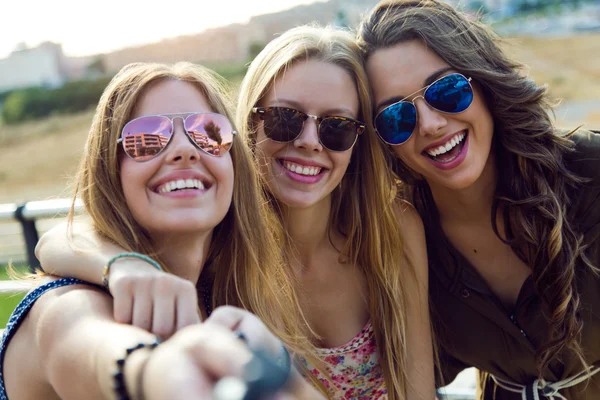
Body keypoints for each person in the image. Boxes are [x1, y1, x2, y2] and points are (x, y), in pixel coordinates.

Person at [35, 26, 434, 400]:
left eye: (337, 126)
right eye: (285, 118)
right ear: (246, 125)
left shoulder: (391, 230)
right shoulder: (222, 247)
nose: (311, 142)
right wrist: (125, 266)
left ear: (358, 141)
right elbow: (63, 241)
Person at [0, 61, 322, 400]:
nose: (184, 150)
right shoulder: (67, 304)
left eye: (209, 133)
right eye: (147, 138)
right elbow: (97, 350)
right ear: (111, 170)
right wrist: (158, 371)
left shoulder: (229, 299)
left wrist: (273, 366)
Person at [357, 0, 600, 399]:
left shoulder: (589, 173)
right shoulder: (408, 242)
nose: (432, 124)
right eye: (396, 117)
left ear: (483, 84)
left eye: (446, 91)